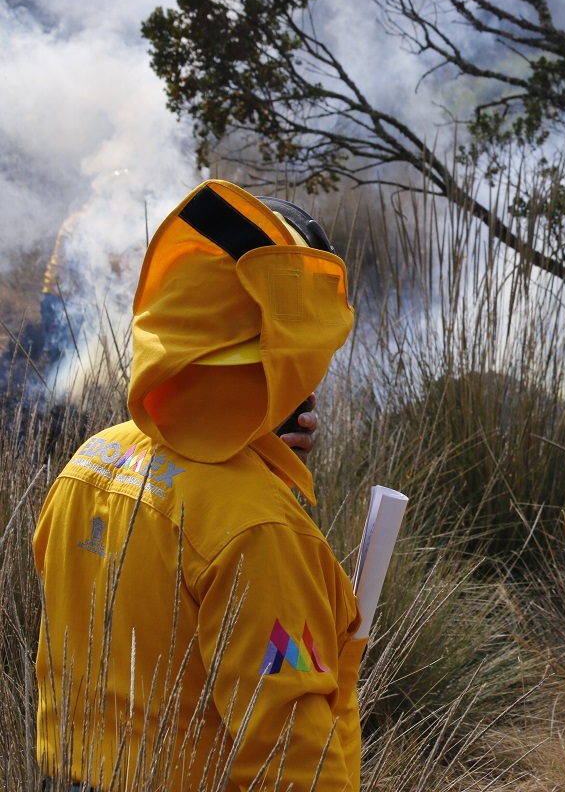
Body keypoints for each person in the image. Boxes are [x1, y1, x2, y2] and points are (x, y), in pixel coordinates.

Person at [33, 180, 364, 791]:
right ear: (283, 350)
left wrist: (255, 451)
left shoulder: (88, 462)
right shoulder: (257, 530)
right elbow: (292, 757)